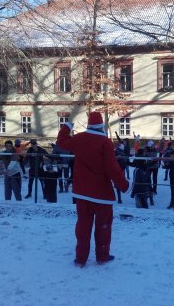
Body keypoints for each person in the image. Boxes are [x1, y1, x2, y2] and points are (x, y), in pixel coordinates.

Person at [57, 111, 128, 267]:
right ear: (101, 126)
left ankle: (80, 258)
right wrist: (124, 185)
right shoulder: (105, 142)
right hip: (101, 194)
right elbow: (112, 168)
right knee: (103, 226)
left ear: (89, 124)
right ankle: (102, 256)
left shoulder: (79, 139)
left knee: (83, 225)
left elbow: (61, 142)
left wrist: (67, 126)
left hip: (82, 193)